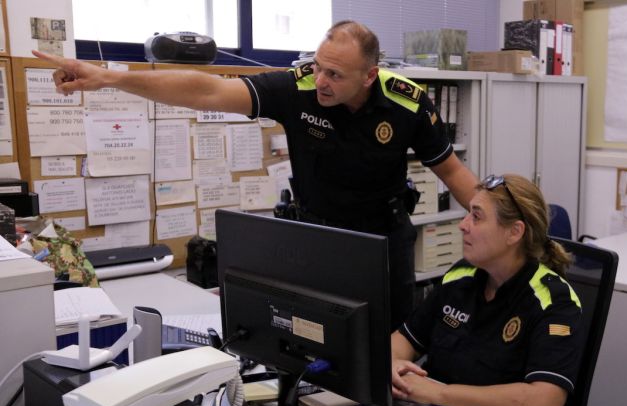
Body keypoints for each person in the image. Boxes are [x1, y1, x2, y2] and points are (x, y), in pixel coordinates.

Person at [32, 20, 478, 330]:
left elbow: (452, 171)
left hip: (382, 239)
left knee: (388, 343)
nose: (321, 80)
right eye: (319, 66)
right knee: (309, 335)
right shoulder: (298, 87)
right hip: (316, 236)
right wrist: (109, 78)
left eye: (335, 75)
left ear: (369, 76)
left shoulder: (407, 104)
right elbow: (208, 90)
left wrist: (499, 226)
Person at [391, 174, 583, 406]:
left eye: (477, 216)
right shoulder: (461, 275)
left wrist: (438, 393)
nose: (463, 224)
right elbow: (404, 338)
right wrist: (393, 363)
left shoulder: (554, 301)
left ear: (514, 232)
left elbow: (542, 404)